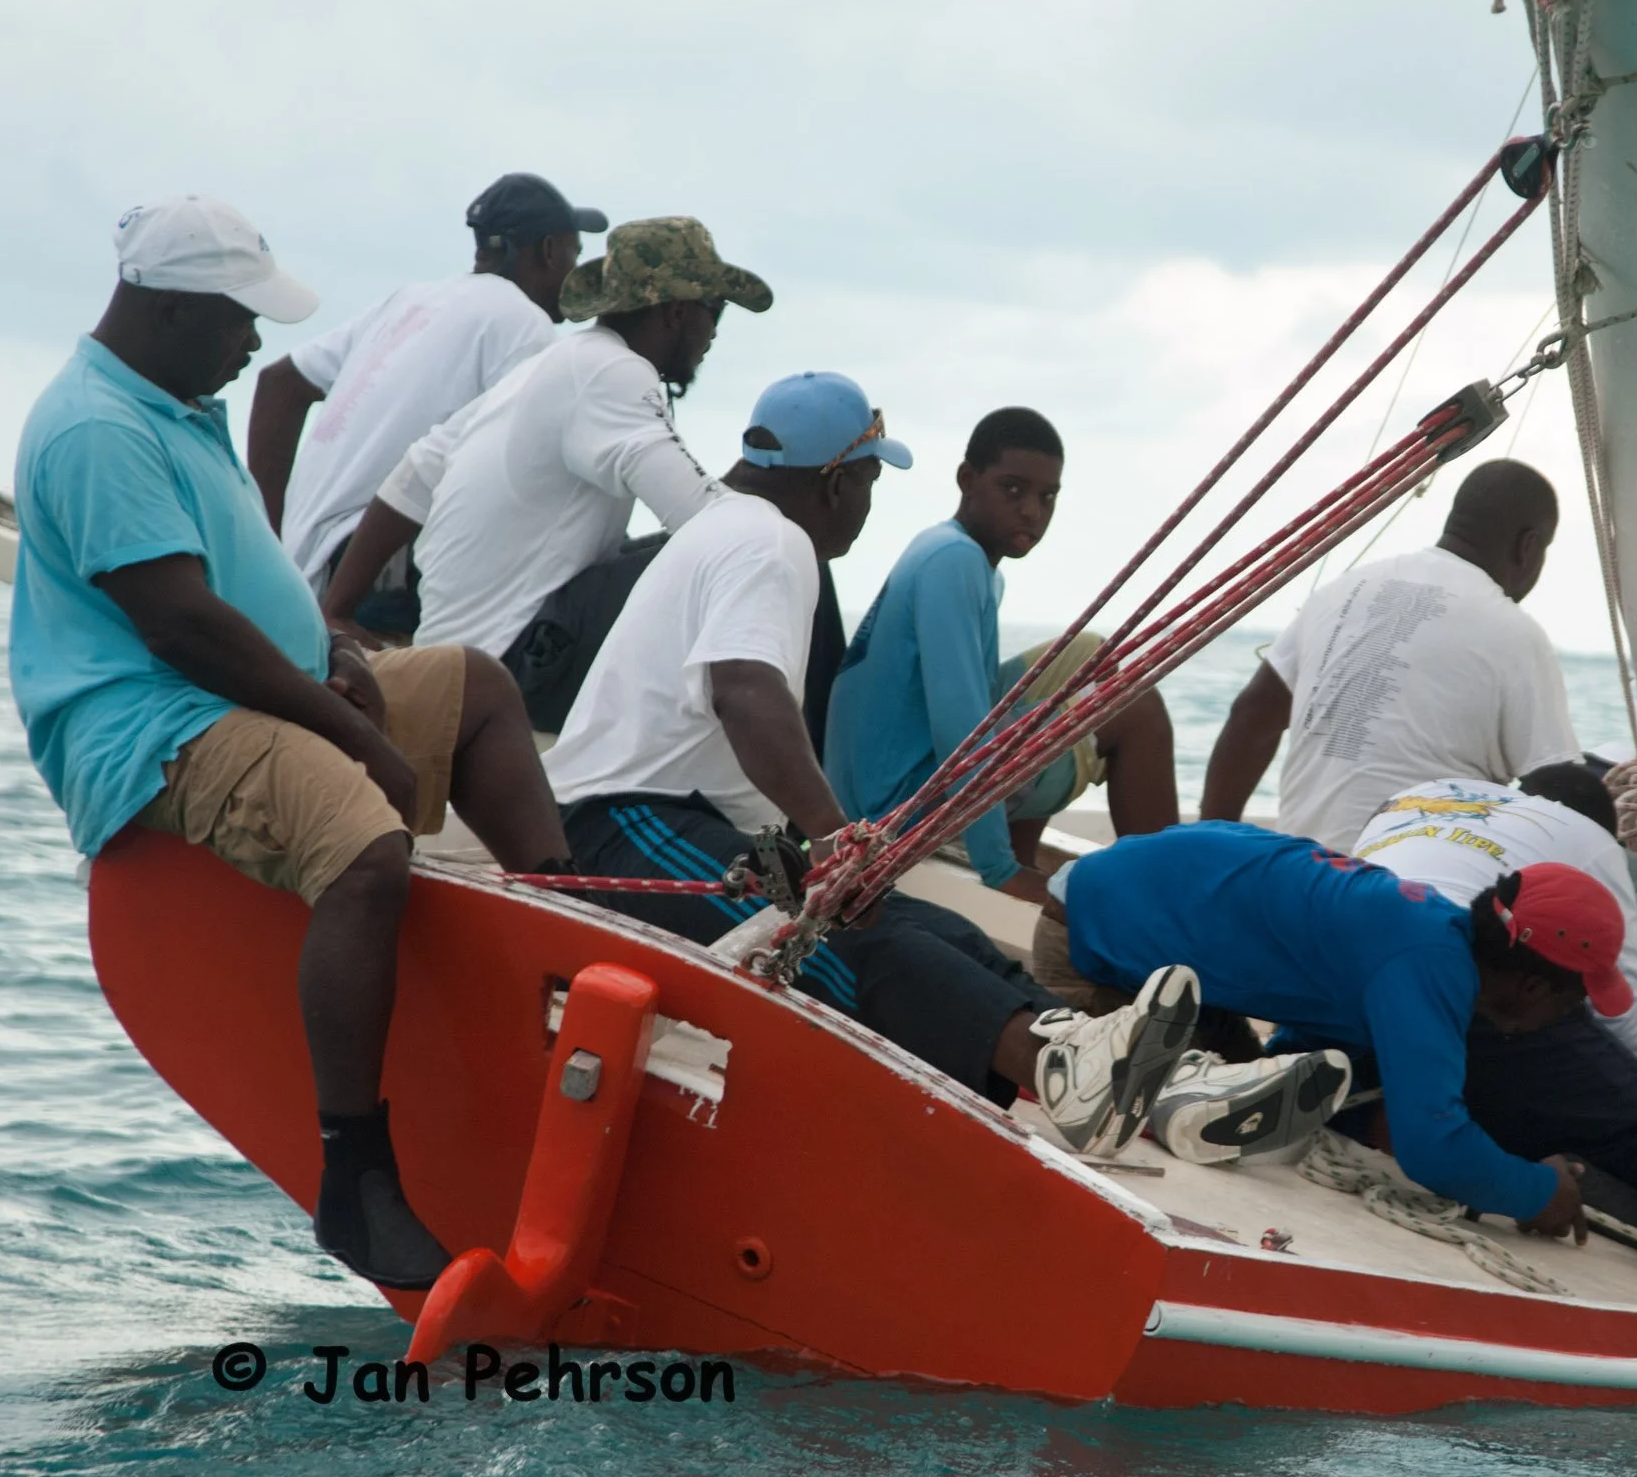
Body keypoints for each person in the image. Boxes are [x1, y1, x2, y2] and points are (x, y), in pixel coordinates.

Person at [542, 374, 1329, 1159]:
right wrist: (834, 838)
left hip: (668, 818)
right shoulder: (769, 540)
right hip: (623, 827)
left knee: (930, 925)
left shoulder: (730, 527)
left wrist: (838, 855)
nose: (870, 501)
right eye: (873, 480)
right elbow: (744, 692)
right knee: (847, 941)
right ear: (837, 480)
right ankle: (1055, 1067)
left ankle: (1155, 1082)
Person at [8, 198, 572, 1290]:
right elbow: (178, 623)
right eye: (236, 319)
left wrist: (327, 657)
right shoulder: (97, 428)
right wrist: (343, 728)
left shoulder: (173, 400)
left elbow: (237, 593)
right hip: (155, 721)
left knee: (477, 687)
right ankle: (355, 1176)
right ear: (168, 308)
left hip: (243, 686)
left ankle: (569, 930)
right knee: (366, 846)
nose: (254, 341)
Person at [1049, 822, 1637, 1313]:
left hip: (1122, 900)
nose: (1567, 1017)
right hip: (1097, 962)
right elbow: (1436, 1148)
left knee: (1308, 1078)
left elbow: (1308, 1013)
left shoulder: (1424, 931)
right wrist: (1539, 1193)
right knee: (1164, 1092)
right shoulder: (1421, 965)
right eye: (1573, 1001)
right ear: (1533, 983)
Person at [324, 216, 766, 728]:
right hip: (512, 662)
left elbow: (416, 473)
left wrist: (338, 608)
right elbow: (707, 522)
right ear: (677, 312)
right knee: (767, 542)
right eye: (716, 311)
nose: (714, 332)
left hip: (449, 654)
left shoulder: (552, 364)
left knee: (735, 535)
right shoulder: (615, 372)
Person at [825, 407, 1178, 904]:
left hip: (885, 780)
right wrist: (998, 869)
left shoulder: (956, 552)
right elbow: (962, 729)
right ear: (967, 480)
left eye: (1047, 496)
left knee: (1090, 653)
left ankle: (1023, 843)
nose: (1032, 511)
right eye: (1013, 489)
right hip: (896, 808)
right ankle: (1165, 903)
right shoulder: (956, 562)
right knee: (1136, 709)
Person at [246, 174, 606, 629]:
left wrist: (268, 542)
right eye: (575, 254)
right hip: (379, 570)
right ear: (549, 250)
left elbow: (281, 383)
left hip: (308, 564)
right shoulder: (524, 323)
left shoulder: (412, 301)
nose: (576, 269)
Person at [1199, 458, 1582, 850]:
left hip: (1303, 878)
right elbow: (1556, 788)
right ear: (1528, 546)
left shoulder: (1340, 591)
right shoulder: (1516, 633)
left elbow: (1249, 717)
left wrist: (1210, 844)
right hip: (1411, 894)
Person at [1350, 763, 1637, 1089]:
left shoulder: (1420, 793)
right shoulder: (1593, 843)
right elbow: (1629, 1014)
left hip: (1348, 947)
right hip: (1430, 978)